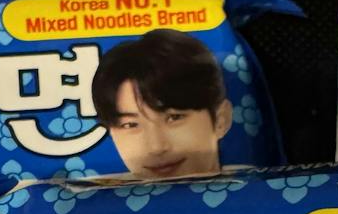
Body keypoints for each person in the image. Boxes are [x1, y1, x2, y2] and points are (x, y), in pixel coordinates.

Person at [91, 29, 232, 178]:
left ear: (221, 120)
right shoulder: (97, 190)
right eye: (130, 125)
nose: (156, 147)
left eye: (174, 117)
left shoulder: (246, 182)